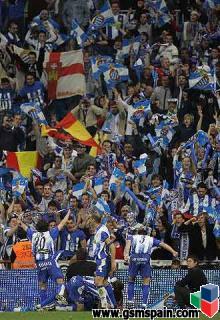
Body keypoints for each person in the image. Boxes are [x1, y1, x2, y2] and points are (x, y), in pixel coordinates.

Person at [18, 209, 71, 309]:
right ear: (47, 227)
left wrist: (20, 218)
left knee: (42, 286)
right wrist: (68, 213)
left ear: (37, 228)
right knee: (60, 281)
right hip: (50, 262)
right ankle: (58, 297)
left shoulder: (33, 234)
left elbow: (22, 225)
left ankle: (42, 306)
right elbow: (63, 223)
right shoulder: (51, 233)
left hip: (40, 264)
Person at [124, 225, 178, 307]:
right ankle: (144, 304)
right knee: (146, 281)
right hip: (145, 259)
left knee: (131, 279)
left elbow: (127, 247)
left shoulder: (132, 237)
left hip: (134, 258)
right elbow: (163, 244)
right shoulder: (151, 239)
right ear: (147, 233)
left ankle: (130, 301)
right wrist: (173, 251)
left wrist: (126, 256)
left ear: (138, 232)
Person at [89, 213, 117, 309]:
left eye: (90, 219)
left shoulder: (101, 231)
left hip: (103, 259)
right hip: (101, 260)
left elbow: (112, 246)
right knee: (104, 282)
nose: (88, 221)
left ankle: (105, 306)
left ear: (93, 220)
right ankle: (113, 305)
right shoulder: (100, 229)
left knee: (98, 282)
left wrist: (113, 262)